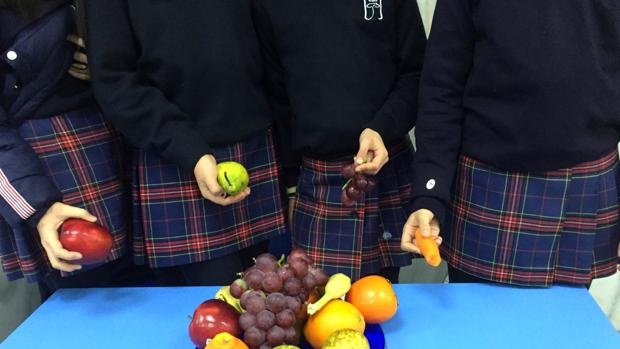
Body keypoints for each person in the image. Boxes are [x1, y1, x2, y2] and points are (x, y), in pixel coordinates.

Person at [401, 0, 620, 286]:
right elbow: (442, 85)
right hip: (488, 187)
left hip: (583, 184)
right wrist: (429, 191)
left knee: (563, 324)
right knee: (478, 324)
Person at [86, 0, 287, 286]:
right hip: (174, 158)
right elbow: (114, 81)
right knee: (214, 305)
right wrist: (190, 151)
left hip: (254, 147)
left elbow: (267, 45)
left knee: (261, 296)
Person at [252, 0, 427, 282]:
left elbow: (417, 73)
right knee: (319, 304)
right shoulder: (268, 6)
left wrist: (380, 129)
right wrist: (291, 184)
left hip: (384, 164)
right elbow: (276, 98)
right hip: (317, 176)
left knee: (381, 298)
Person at [0, 0, 134, 300]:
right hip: (51, 162)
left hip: (136, 135)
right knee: (95, 305)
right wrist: (39, 208)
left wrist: (112, 54)